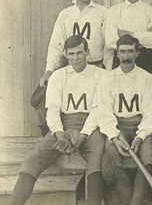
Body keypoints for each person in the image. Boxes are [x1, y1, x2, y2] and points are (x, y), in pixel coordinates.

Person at [12, 35, 106, 205]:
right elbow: (53, 110)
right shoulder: (58, 76)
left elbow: (98, 109)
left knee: (96, 156)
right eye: (71, 54)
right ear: (65, 54)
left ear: (87, 52)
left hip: (92, 124)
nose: (75, 58)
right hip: (64, 124)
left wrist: (83, 134)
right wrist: (60, 133)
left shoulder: (100, 74)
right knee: (35, 157)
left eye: (79, 53)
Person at [38, 0, 108, 133]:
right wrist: (49, 71)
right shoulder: (66, 14)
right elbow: (56, 45)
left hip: (95, 65)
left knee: (99, 103)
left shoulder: (102, 12)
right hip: (71, 66)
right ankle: (52, 136)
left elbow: (107, 46)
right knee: (42, 98)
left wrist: (108, 70)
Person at [97, 34, 152, 204]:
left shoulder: (147, 78)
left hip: (140, 126)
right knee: (111, 156)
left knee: (148, 156)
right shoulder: (107, 78)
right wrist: (115, 137)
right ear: (117, 54)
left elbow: (151, 113)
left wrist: (140, 137)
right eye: (122, 52)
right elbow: (104, 112)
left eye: (130, 51)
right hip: (117, 126)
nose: (126, 56)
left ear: (137, 53)